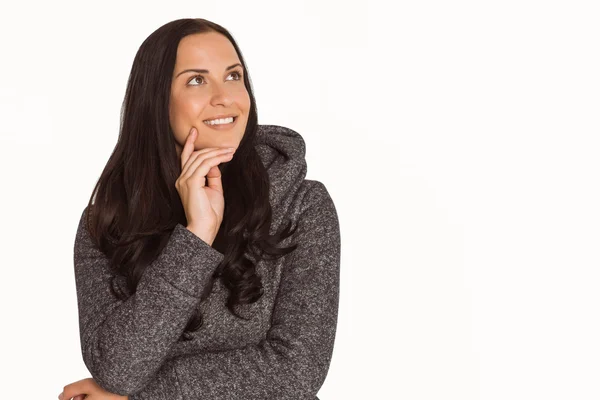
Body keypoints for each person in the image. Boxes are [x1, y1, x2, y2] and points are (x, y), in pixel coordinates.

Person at [58, 18, 341, 400]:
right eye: (196, 80)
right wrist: (196, 237)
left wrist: (144, 397)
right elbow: (117, 369)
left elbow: (297, 369)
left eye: (233, 76)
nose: (225, 97)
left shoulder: (303, 205)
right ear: (157, 100)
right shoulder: (106, 223)